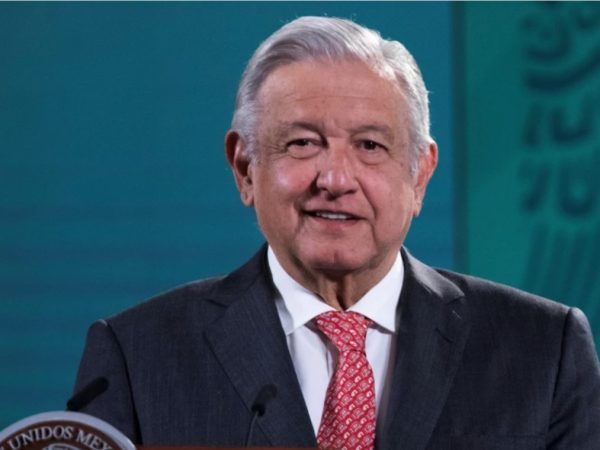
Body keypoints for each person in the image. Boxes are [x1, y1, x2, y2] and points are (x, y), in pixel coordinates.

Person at [73, 16, 600, 449]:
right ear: (245, 168)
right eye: (302, 143)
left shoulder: (543, 349)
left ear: (419, 175)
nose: (336, 180)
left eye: (371, 146)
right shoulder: (137, 355)